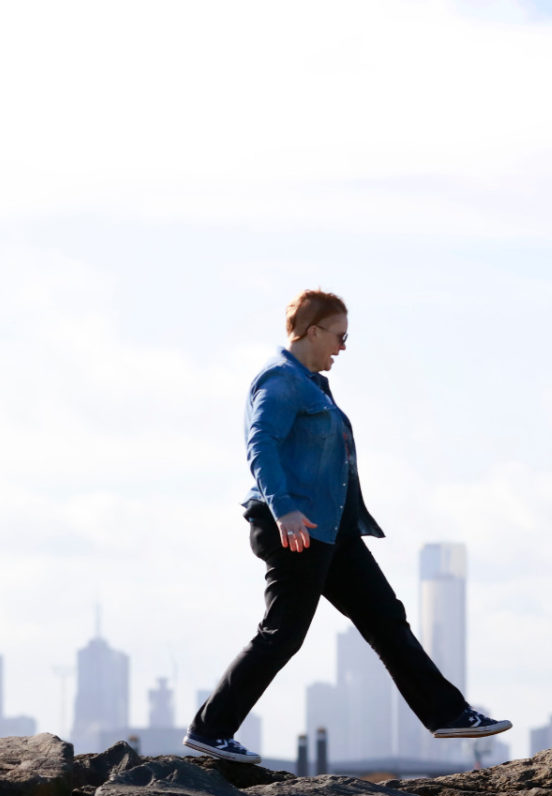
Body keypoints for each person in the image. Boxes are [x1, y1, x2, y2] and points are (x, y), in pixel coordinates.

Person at [184, 289, 510, 764]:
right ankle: (210, 729)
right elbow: (261, 446)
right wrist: (284, 508)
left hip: (331, 529)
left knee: (385, 618)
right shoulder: (280, 381)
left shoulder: (313, 385)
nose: (342, 347)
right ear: (312, 331)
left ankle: (448, 714)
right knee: (283, 633)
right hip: (294, 528)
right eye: (339, 336)